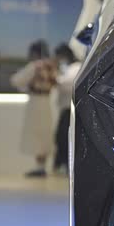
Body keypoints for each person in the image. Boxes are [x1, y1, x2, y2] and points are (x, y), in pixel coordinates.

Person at [10, 41, 57, 177]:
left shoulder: (35, 66)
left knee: (36, 134)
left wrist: (25, 87)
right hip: (47, 102)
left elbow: (16, 80)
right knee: (44, 134)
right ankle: (42, 166)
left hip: (35, 102)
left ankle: (39, 167)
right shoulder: (51, 66)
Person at [52, 43, 82, 174]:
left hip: (71, 109)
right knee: (61, 137)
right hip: (66, 108)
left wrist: (56, 78)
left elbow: (67, 83)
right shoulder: (69, 67)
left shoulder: (76, 67)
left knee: (64, 138)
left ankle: (66, 165)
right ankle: (63, 164)